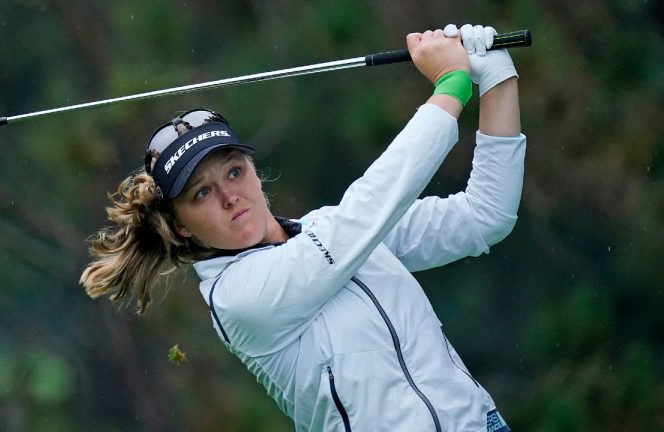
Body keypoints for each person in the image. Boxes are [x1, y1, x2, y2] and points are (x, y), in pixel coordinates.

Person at [81, 23, 525, 432]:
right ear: (179, 227)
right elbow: (363, 215)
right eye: (201, 193)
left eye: (234, 172)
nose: (229, 196)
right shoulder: (238, 299)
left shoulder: (334, 228)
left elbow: (484, 216)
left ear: (254, 172)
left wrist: (496, 80)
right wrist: (450, 86)